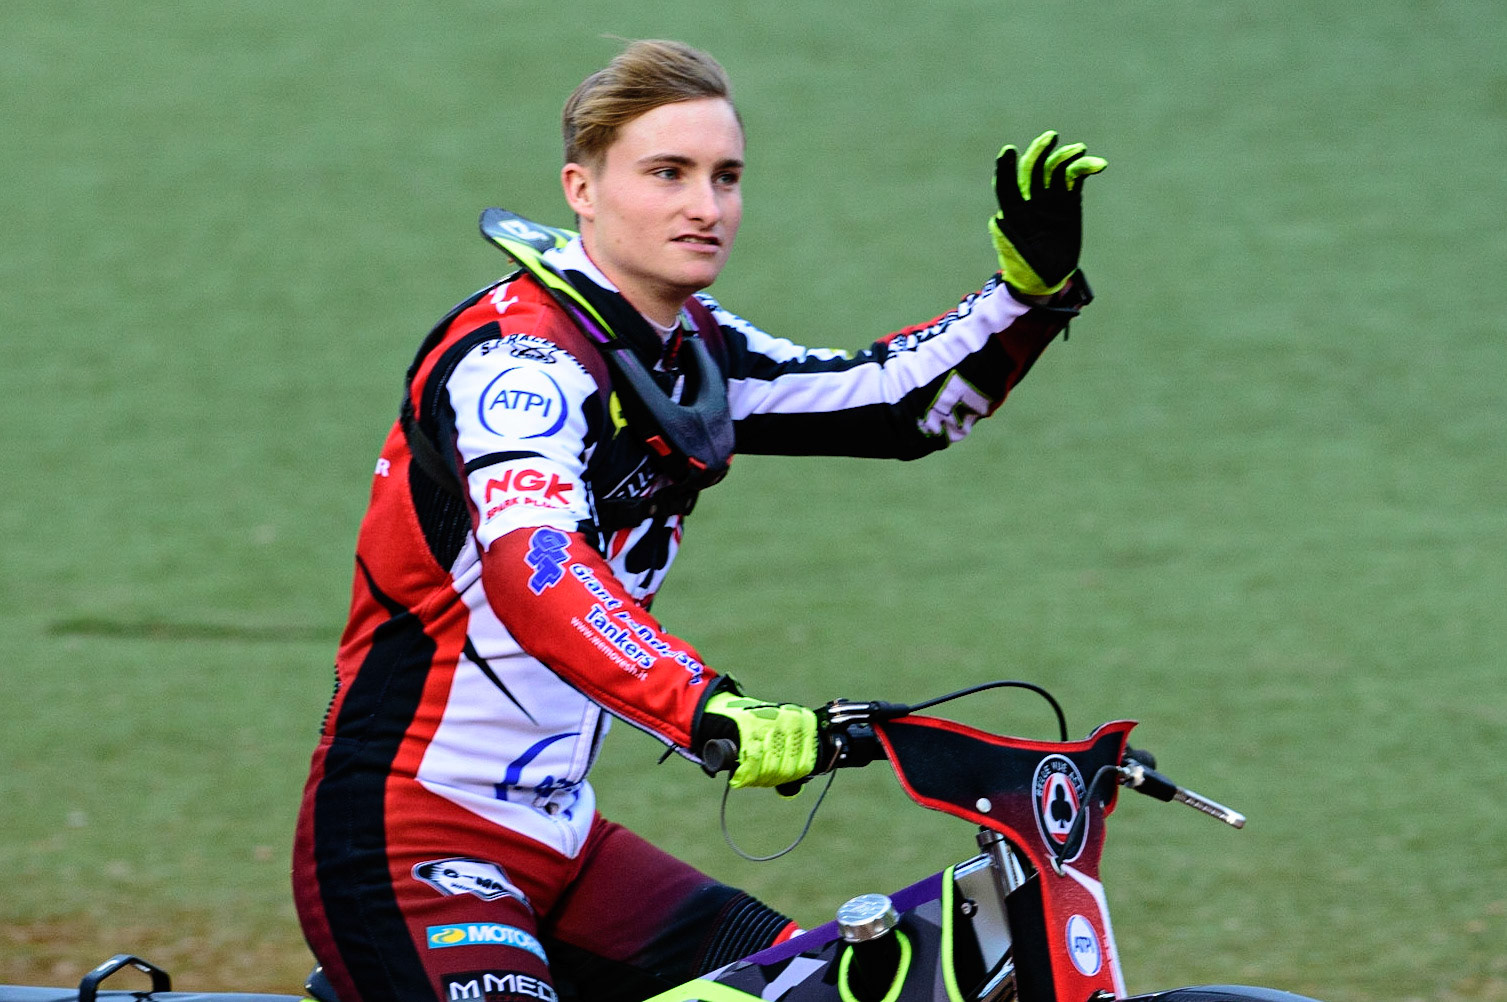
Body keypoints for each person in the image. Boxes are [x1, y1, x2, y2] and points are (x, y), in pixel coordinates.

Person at [292, 38, 1106, 1002]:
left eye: (726, 177)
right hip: (407, 837)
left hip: (564, 841)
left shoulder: (694, 351)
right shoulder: (521, 366)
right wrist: (709, 708)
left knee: (821, 988)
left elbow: (890, 403)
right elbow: (537, 572)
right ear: (581, 189)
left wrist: (1028, 294)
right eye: (667, 174)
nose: (704, 207)